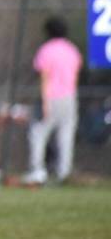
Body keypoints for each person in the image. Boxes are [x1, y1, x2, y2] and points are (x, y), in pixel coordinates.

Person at [23, 16, 82, 186]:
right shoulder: (72, 50)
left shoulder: (46, 50)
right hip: (69, 97)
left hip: (50, 97)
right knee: (65, 136)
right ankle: (64, 172)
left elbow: (44, 76)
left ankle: (37, 171)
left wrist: (44, 101)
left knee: (38, 134)